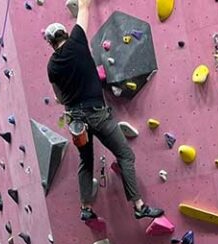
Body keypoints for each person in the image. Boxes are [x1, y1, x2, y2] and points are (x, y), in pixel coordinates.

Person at [45, 0, 164, 223]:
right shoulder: (77, 41)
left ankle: (86, 208)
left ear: (51, 43)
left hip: (74, 120)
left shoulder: (51, 67)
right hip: (96, 114)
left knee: (86, 161)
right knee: (125, 155)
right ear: (65, 34)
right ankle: (138, 205)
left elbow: (59, 97)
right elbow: (83, 8)